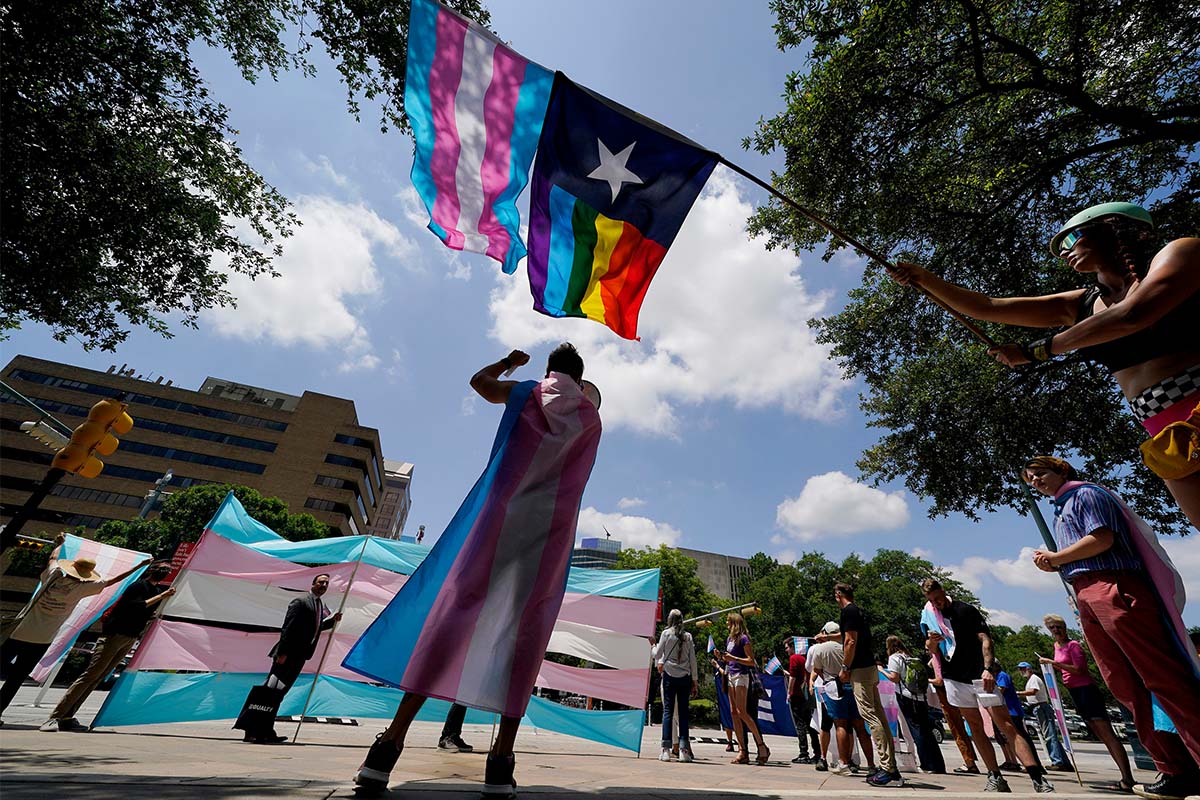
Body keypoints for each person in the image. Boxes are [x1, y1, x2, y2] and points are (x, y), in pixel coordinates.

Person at [346, 345, 602, 798]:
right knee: (528, 629)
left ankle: (388, 747)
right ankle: (501, 762)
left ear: (549, 371)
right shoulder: (592, 418)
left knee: (452, 614)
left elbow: (479, 383)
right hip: (549, 533)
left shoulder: (527, 392)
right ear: (580, 380)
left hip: (498, 518)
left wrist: (509, 363)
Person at [887, 204, 1200, 528]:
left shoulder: (1181, 252)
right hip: (1158, 424)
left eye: (1072, 239)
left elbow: (1133, 314)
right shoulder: (1082, 304)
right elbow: (988, 306)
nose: (1065, 251)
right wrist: (924, 279)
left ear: (1114, 228)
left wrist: (1042, 349)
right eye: (1060, 248)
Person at [1025, 456, 1200, 800]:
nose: (1034, 479)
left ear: (1061, 469)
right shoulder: (1060, 508)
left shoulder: (1085, 495)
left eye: (1040, 472)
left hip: (1115, 587)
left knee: (1161, 677)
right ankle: (1174, 768)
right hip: (1087, 592)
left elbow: (1102, 539)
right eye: (1029, 477)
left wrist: (1056, 558)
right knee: (1124, 684)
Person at [921, 578, 1055, 793]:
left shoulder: (965, 610)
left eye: (938, 598)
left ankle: (1037, 777)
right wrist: (933, 642)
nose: (936, 603)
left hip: (979, 675)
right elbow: (931, 649)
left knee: (1006, 725)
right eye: (932, 600)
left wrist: (988, 668)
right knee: (975, 727)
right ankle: (995, 776)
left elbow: (985, 639)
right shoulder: (929, 616)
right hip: (954, 677)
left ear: (943, 591)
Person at [1, 536, 150, 721]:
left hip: (18, 633)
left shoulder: (53, 575)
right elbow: (113, 581)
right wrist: (138, 566)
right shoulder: (82, 589)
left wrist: (60, 544)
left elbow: (52, 559)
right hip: (42, 640)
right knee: (15, 680)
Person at [40, 560, 175, 732]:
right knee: (90, 675)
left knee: (98, 677)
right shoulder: (139, 586)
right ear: (153, 570)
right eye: (163, 569)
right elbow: (135, 607)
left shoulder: (156, 590)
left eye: (168, 570)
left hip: (130, 637)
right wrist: (162, 597)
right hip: (114, 635)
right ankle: (55, 717)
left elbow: (147, 612)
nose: (165, 572)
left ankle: (68, 716)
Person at [236, 573, 341, 744]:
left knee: (278, 695)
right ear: (313, 583)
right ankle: (251, 730)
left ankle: (266, 730)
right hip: (287, 655)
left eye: (326, 583)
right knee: (268, 693)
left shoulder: (318, 604)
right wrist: (282, 654)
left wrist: (332, 622)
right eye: (321, 582)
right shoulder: (301, 602)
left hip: (299, 657)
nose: (324, 585)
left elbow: (314, 627)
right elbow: (288, 628)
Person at [1040, 613, 1139, 792]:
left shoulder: (1073, 645)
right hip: (1074, 691)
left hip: (1086, 689)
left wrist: (1055, 664)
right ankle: (1124, 776)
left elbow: (1080, 669)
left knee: (1107, 733)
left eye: (1058, 626)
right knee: (1098, 733)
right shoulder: (1056, 646)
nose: (1056, 630)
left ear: (1065, 627)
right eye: (1052, 628)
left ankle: (1127, 777)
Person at [835, 582, 900, 786]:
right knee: (878, 715)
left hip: (860, 670)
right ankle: (891, 766)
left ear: (838, 595)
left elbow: (850, 641)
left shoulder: (848, 612)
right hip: (870, 667)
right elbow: (850, 637)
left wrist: (845, 667)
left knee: (870, 717)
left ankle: (887, 768)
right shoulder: (859, 612)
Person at [807, 621, 876, 776]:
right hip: (853, 686)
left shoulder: (820, 649)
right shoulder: (849, 647)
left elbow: (816, 670)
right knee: (860, 727)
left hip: (833, 688)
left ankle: (843, 762)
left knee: (841, 725)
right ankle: (871, 764)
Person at [884, 635, 945, 774]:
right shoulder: (912, 657)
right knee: (926, 731)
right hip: (921, 698)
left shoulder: (894, 658)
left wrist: (882, 671)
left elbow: (895, 678)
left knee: (917, 732)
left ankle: (927, 765)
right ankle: (938, 765)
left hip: (906, 697)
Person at [721, 612, 770, 765]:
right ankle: (742, 750)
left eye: (728, 622)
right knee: (734, 712)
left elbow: (751, 661)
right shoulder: (730, 639)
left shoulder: (743, 638)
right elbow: (729, 658)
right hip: (730, 674)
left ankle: (762, 746)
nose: (727, 624)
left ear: (734, 623)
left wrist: (733, 658)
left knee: (743, 711)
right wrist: (721, 657)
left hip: (741, 676)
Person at [654, 609, 698, 763]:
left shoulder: (666, 634)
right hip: (684, 677)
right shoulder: (688, 636)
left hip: (669, 676)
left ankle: (665, 749)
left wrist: (653, 646)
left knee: (668, 712)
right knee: (683, 714)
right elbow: (693, 659)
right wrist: (695, 680)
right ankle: (684, 750)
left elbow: (657, 654)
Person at [1015, 661, 1072, 772]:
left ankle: (1057, 761)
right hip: (1038, 708)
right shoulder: (1031, 680)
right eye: (1020, 669)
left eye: (1023, 669)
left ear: (1029, 669)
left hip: (1041, 707)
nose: (1021, 671)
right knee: (1051, 735)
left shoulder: (1034, 679)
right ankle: (1064, 762)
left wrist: (1018, 693)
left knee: (1049, 735)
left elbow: (1033, 691)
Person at [785, 637, 820, 764]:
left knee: (800, 725)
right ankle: (817, 752)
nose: (787, 651)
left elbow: (793, 677)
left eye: (787, 648)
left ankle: (803, 753)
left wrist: (789, 693)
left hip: (797, 695)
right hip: (806, 696)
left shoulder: (794, 658)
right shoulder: (805, 658)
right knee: (811, 725)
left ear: (793, 647)